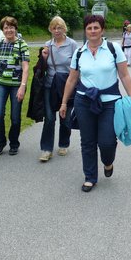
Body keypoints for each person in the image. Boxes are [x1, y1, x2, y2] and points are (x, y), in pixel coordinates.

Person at [59, 14, 131, 192]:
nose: (93, 31)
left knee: (107, 142)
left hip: (110, 102)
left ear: (102, 29)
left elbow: (124, 75)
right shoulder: (79, 53)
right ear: (85, 31)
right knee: (87, 141)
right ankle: (90, 177)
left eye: (96, 27)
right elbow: (71, 79)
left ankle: (108, 163)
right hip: (84, 101)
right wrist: (64, 102)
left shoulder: (113, 48)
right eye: (89, 28)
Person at [0, 16, 30, 156]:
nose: (9, 30)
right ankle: (0, 142)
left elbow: (26, 67)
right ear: (2, 30)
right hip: (1, 84)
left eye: (11, 27)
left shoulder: (22, 44)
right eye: (6, 27)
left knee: (15, 117)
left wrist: (23, 86)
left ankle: (14, 143)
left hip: (16, 85)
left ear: (15, 28)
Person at [38, 16, 78, 162]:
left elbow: (77, 67)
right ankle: (46, 149)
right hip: (49, 86)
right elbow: (42, 67)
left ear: (64, 28)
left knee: (65, 118)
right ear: (50, 29)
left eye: (59, 27)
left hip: (66, 87)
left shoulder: (72, 44)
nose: (56, 30)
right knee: (49, 118)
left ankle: (63, 143)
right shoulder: (48, 44)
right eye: (54, 28)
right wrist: (43, 57)